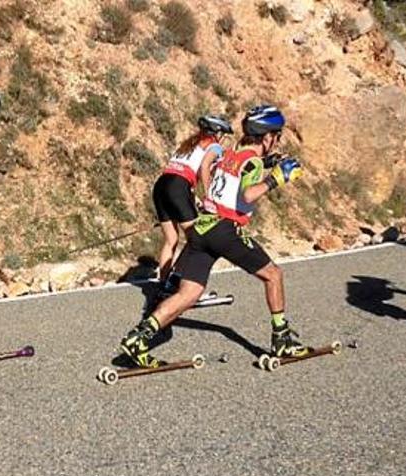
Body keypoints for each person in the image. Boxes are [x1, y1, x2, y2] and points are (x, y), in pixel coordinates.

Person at [118, 105, 303, 367]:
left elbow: (237, 169)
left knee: (189, 293)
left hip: (203, 230)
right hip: (224, 230)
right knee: (273, 275)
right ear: (267, 137)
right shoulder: (251, 161)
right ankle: (281, 339)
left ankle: (139, 338)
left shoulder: (231, 155)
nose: (277, 141)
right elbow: (248, 194)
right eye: (277, 135)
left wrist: (267, 163)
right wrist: (277, 178)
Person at [152, 115, 232, 293]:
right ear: (217, 133)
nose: (224, 139)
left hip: (162, 185)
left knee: (171, 239)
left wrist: (193, 196)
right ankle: (178, 283)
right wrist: (210, 196)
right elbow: (204, 167)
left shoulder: (188, 143)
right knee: (197, 237)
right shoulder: (214, 146)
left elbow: (180, 171)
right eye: (224, 134)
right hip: (178, 187)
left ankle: (163, 284)